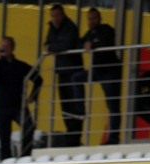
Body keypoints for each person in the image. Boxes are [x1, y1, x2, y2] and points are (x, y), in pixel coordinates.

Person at [0, 36, 34, 160]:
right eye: (2, 46)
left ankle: (25, 156)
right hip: (1, 107)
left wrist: (33, 96)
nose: (4, 49)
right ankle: (6, 161)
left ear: (12, 48)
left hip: (18, 105)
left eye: (6, 47)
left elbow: (38, 78)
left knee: (29, 127)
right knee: (4, 138)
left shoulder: (20, 66)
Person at [80, 8, 123, 144]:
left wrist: (92, 44)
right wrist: (85, 44)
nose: (91, 21)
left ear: (99, 19)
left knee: (112, 105)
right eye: (89, 19)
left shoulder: (107, 30)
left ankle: (113, 138)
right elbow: (79, 42)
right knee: (76, 78)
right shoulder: (89, 33)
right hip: (97, 72)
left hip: (110, 71)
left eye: (93, 18)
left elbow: (105, 42)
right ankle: (79, 108)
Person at [44, 4, 84, 146]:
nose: (55, 19)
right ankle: (70, 135)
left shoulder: (70, 27)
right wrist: (52, 47)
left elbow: (65, 45)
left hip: (73, 71)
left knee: (75, 106)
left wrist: (53, 48)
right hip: (61, 71)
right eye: (53, 16)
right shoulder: (52, 27)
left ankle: (75, 137)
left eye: (57, 15)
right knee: (65, 106)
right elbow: (47, 43)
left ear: (63, 14)